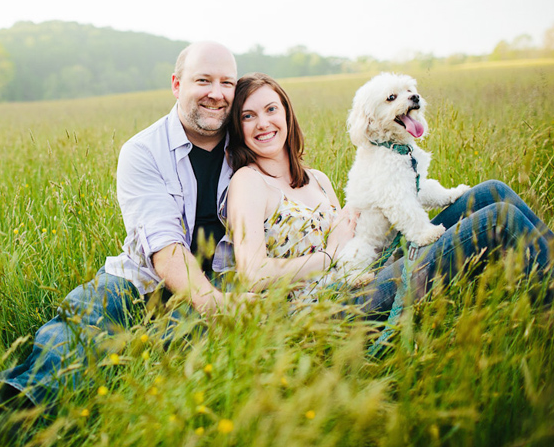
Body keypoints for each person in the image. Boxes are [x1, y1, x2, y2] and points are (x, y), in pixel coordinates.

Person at [0, 41, 253, 410]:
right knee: (82, 320)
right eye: (203, 80)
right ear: (177, 85)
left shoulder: (252, 146)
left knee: (166, 343)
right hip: (142, 278)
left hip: (223, 283)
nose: (216, 93)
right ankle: (5, 402)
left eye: (227, 83)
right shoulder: (144, 151)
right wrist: (214, 304)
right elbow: (164, 249)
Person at [223, 72, 552, 314]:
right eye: (247, 116)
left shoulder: (318, 179)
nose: (262, 123)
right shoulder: (248, 181)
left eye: (270, 110)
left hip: (376, 265)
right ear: (238, 128)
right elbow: (254, 274)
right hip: (328, 305)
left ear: (285, 113)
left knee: (492, 192)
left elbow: (362, 232)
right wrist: (330, 256)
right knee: (500, 218)